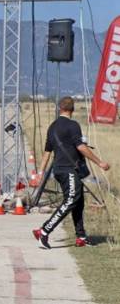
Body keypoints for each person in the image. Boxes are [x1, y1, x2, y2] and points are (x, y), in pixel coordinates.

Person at [33, 97, 111, 249]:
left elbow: (47, 152)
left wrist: (41, 172)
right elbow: (81, 147)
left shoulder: (52, 127)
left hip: (59, 169)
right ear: (72, 109)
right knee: (70, 200)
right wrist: (99, 162)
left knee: (78, 202)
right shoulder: (73, 125)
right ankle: (44, 231)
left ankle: (81, 237)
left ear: (59, 108)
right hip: (68, 169)